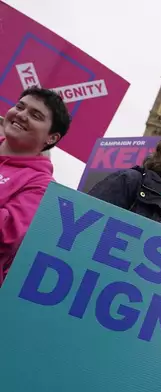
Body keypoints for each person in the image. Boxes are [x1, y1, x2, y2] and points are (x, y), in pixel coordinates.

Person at [0, 87, 71, 286]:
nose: (21, 115)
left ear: (52, 138)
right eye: (19, 106)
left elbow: (7, 235)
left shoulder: (43, 186)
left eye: (35, 115)